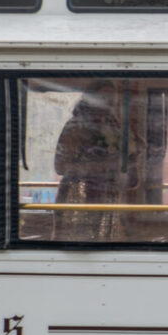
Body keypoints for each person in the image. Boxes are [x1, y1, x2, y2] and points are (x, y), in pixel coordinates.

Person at [53, 80, 128, 242]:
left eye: (112, 98)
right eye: (103, 96)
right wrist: (101, 166)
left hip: (107, 195)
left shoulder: (113, 124)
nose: (109, 102)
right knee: (78, 242)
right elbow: (60, 166)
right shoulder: (76, 126)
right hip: (78, 195)